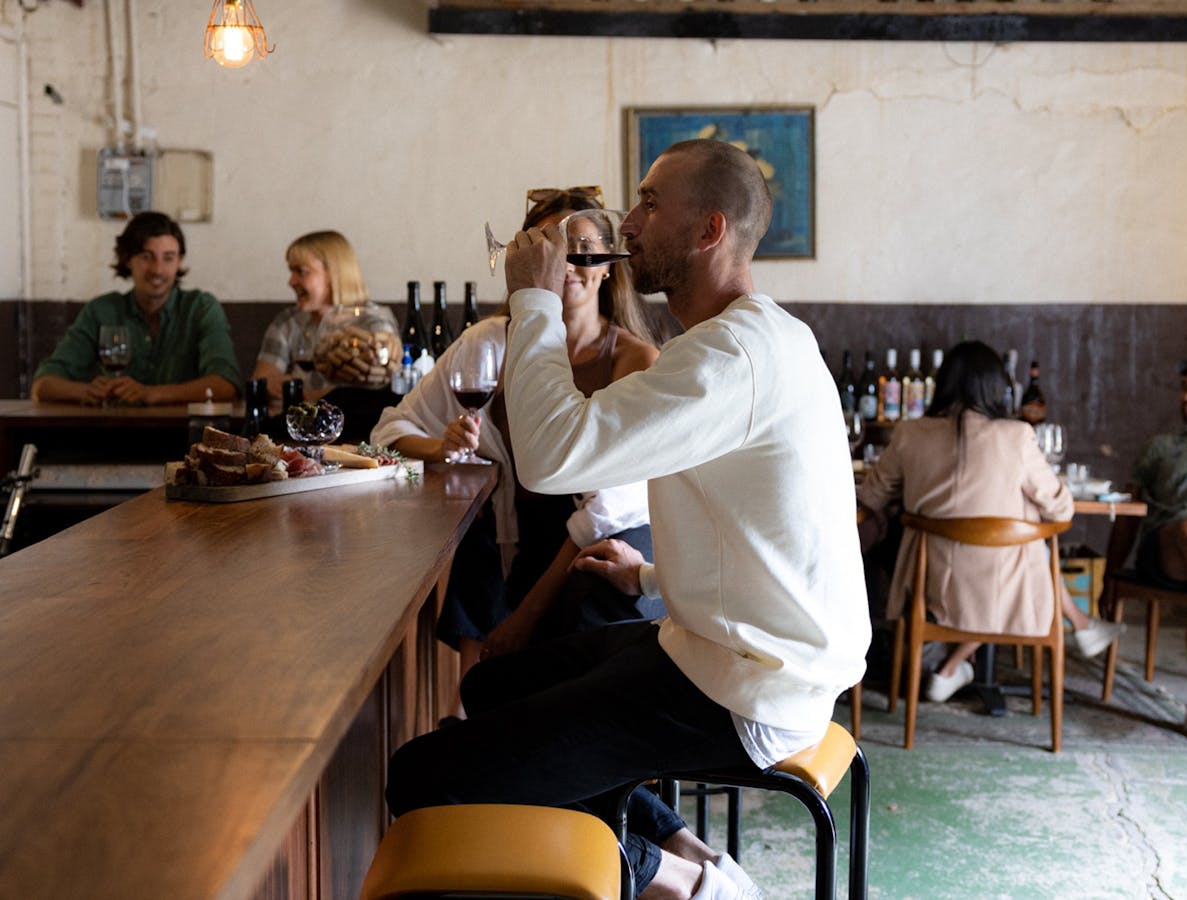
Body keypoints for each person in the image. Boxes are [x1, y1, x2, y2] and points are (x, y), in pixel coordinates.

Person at [385, 140, 870, 900]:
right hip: (720, 652)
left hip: (745, 695)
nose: (630, 223)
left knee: (421, 776)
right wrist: (645, 573)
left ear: (709, 230)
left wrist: (534, 298)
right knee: (494, 688)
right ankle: (682, 844)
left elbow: (550, 459)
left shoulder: (727, 359)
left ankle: (678, 882)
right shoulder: (747, 338)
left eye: (649, 203)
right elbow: (757, 533)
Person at [371, 187, 662, 674]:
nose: (566, 263)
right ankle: (468, 717)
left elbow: (604, 511)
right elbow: (390, 428)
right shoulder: (487, 343)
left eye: (583, 249)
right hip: (510, 535)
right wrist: (441, 447)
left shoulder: (634, 359)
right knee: (471, 539)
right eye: (548, 247)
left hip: (593, 542)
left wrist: (523, 619)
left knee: (587, 591)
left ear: (609, 265)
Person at [856, 340, 1120, 703]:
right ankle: (1079, 624)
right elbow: (1061, 511)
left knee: (1020, 543)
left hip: (930, 587)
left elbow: (870, 497)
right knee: (1030, 539)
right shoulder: (1017, 436)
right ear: (998, 387)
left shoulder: (910, 433)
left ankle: (953, 666)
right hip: (1006, 587)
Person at [31, 211, 241, 406]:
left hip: (184, 436)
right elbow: (43, 386)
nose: (157, 269)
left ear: (180, 262)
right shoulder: (102, 310)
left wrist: (152, 393)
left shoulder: (201, 307)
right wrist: (85, 391)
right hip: (111, 434)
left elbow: (226, 385)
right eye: (146, 257)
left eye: (168, 258)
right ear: (127, 259)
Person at [1123, 357, 1187, 739]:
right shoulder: (1161, 447)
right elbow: (1126, 513)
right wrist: (1111, 575)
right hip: (1166, 550)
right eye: (1185, 387)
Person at [252, 230, 368, 401]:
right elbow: (261, 382)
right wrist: (272, 386)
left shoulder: (373, 323)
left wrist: (310, 396)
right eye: (291, 271)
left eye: (301, 271)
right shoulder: (288, 321)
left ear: (333, 274)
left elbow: (374, 393)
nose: (291, 282)